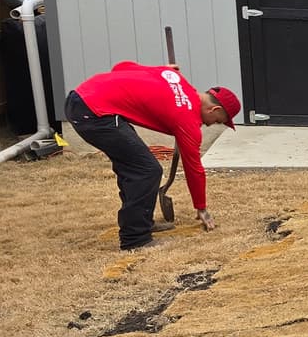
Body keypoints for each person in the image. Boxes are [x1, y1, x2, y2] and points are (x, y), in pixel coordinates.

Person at [65, 62, 239, 251]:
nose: (211, 125)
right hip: (94, 113)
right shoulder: (187, 119)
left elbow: (120, 67)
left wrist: (161, 74)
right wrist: (201, 207)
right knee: (147, 170)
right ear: (214, 110)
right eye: (217, 121)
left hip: (84, 96)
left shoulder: (173, 77)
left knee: (133, 166)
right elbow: (194, 168)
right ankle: (135, 240)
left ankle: (140, 223)